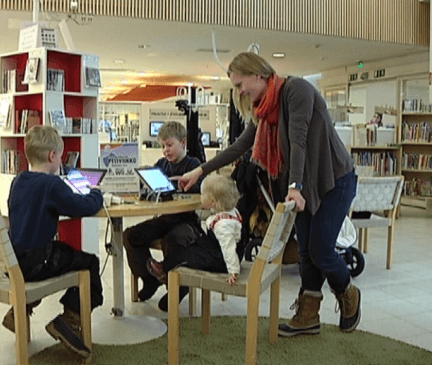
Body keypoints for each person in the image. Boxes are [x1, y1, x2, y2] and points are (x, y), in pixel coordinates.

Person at [178, 52, 360, 336]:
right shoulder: (263, 110)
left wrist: (295, 186)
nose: (240, 92)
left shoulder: (296, 90)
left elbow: (298, 140)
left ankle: (348, 291)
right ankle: (308, 315)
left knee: (321, 249)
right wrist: (200, 170)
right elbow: (239, 147)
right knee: (304, 251)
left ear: (257, 75)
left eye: (240, 85)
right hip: (300, 185)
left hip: (332, 179)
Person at [5, 125, 104, 358]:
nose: (60, 160)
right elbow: (85, 207)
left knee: (62, 254)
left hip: (14, 262)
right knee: (89, 263)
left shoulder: (18, 180)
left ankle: (19, 311)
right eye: (60, 156)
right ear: (52, 156)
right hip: (38, 262)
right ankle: (70, 319)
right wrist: (96, 191)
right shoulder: (52, 185)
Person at [122, 121, 204, 308]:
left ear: (183, 143)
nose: (165, 151)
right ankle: (149, 279)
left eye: (169, 145)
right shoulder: (161, 165)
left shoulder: (193, 164)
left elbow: (201, 189)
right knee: (130, 235)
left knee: (174, 240)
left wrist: (179, 185)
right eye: (162, 146)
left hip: (186, 220)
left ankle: (179, 286)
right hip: (164, 219)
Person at [147, 174, 243, 309]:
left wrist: (233, 271)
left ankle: (165, 269)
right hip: (214, 250)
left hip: (219, 259)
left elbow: (228, 248)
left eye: (203, 195)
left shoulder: (223, 225)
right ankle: (168, 272)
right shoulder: (230, 212)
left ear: (213, 202)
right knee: (189, 245)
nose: (200, 196)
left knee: (186, 255)